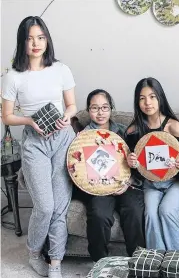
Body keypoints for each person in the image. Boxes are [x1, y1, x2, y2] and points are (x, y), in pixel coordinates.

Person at [1, 16, 77, 278]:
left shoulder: (60, 69)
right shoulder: (13, 76)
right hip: (35, 142)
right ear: (22, 42)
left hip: (63, 138)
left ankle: (55, 261)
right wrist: (30, 121)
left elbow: (72, 105)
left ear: (47, 39)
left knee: (58, 206)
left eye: (41, 37)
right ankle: (34, 252)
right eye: (30, 38)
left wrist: (68, 116)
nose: (36, 43)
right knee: (44, 206)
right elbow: (7, 117)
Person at [73, 89, 145, 262]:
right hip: (99, 187)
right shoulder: (82, 138)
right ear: (89, 110)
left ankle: (138, 260)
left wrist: (127, 182)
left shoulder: (123, 131)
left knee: (134, 210)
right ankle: (100, 261)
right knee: (99, 214)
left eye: (105, 107)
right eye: (95, 108)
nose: (100, 113)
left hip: (126, 184)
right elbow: (77, 169)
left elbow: (136, 163)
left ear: (111, 109)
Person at [126, 77, 179, 251]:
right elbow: (134, 171)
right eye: (142, 98)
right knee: (151, 214)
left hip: (175, 184)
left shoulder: (174, 127)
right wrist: (131, 163)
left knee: (167, 211)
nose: (148, 103)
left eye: (152, 97)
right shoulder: (133, 130)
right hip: (150, 185)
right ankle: (156, 261)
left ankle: (178, 261)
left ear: (160, 97)